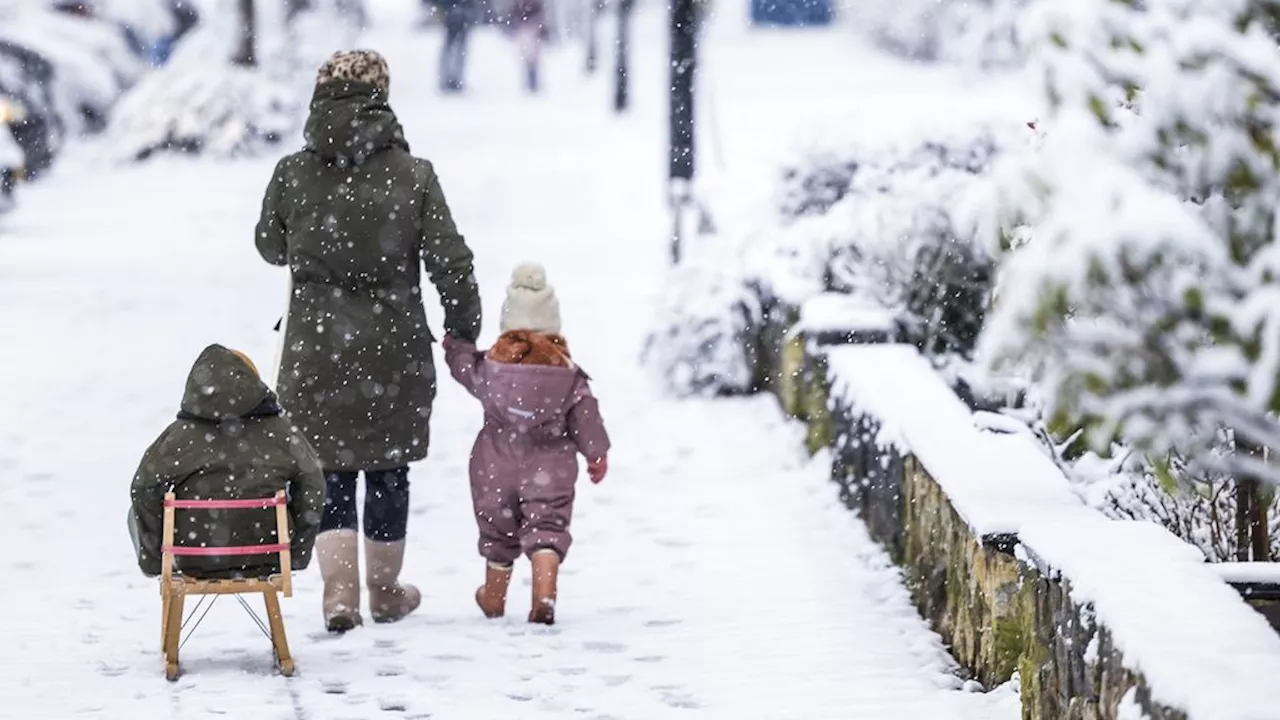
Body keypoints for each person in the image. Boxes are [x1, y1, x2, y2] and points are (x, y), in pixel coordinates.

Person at [255, 50, 483, 633]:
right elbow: (451, 262)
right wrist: (463, 327)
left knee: (330, 469)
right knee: (387, 468)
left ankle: (338, 592)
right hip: (394, 346)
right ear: (382, 97)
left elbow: (269, 247)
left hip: (316, 349)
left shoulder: (293, 173)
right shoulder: (414, 175)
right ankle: (383, 591)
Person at [442, 263, 610, 625]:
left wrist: (455, 344)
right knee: (546, 529)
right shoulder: (567, 375)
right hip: (550, 467)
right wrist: (597, 454)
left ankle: (493, 598)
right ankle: (544, 595)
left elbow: (461, 366)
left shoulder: (489, 370)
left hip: (494, 466)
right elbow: (587, 416)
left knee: (497, 534)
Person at [128, 345, 326, 580]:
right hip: (267, 554)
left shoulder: (179, 435)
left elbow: (143, 488)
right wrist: (296, 555)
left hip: (190, 556)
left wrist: (154, 559)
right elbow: (314, 485)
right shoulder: (280, 432)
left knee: (136, 511)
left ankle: (160, 561)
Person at [506, 0, 548, 92]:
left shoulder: (531, 5)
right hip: (526, 29)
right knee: (528, 59)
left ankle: (533, 84)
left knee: (532, 59)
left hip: (532, 29)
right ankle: (531, 84)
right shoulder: (522, 5)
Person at [437, 0, 475, 93]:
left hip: (457, 15)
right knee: (454, 48)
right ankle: (450, 78)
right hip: (455, 15)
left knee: (456, 48)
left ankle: (453, 78)